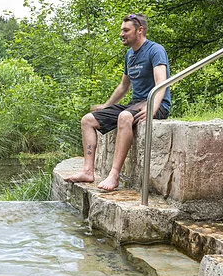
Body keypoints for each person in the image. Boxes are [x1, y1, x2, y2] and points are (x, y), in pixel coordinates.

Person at [65, 14, 171, 191]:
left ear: (140, 30)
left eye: (126, 30)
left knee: (124, 117)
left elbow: (162, 83)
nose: (121, 34)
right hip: (135, 104)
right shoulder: (130, 55)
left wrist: (152, 107)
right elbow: (123, 86)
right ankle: (87, 171)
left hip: (157, 104)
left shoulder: (155, 50)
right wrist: (106, 106)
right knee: (87, 120)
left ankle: (114, 175)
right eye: (121, 30)